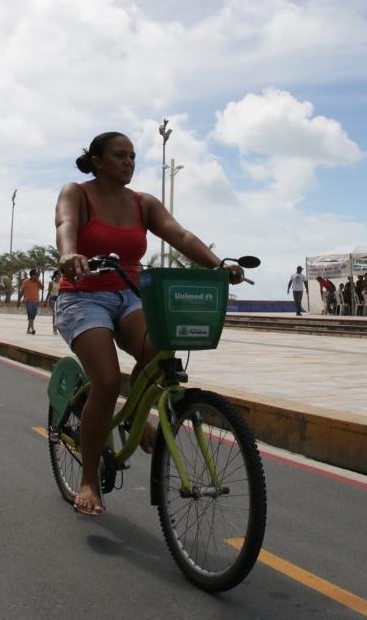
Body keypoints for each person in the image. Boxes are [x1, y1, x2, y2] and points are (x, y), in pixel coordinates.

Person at [54, 132, 245, 517]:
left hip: (128, 294)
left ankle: (134, 418)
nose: (129, 162)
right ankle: (90, 479)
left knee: (160, 353)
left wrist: (218, 264)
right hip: (82, 296)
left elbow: (180, 234)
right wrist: (69, 253)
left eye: (133, 156)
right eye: (120, 156)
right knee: (105, 380)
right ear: (97, 161)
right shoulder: (77, 191)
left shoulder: (143, 203)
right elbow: (65, 223)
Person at [18, 269, 44, 334]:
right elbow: (22, 292)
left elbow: (42, 288)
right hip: (28, 301)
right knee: (30, 314)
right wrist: (18, 301)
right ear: (32, 275)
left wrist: (38, 282)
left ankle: (28, 330)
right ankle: (32, 329)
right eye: (35, 275)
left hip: (36, 301)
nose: (37, 276)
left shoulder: (38, 281)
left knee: (33, 315)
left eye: (37, 275)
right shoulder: (26, 282)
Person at [46, 270, 62, 334]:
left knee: (58, 313)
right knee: (54, 313)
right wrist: (45, 301)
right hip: (53, 298)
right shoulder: (51, 283)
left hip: (59, 298)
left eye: (60, 274)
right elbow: (49, 292)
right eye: (58, 274)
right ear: (55, 275)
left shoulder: (61, 282)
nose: (59, 275)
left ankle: (57, 327)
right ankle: (54, 328)